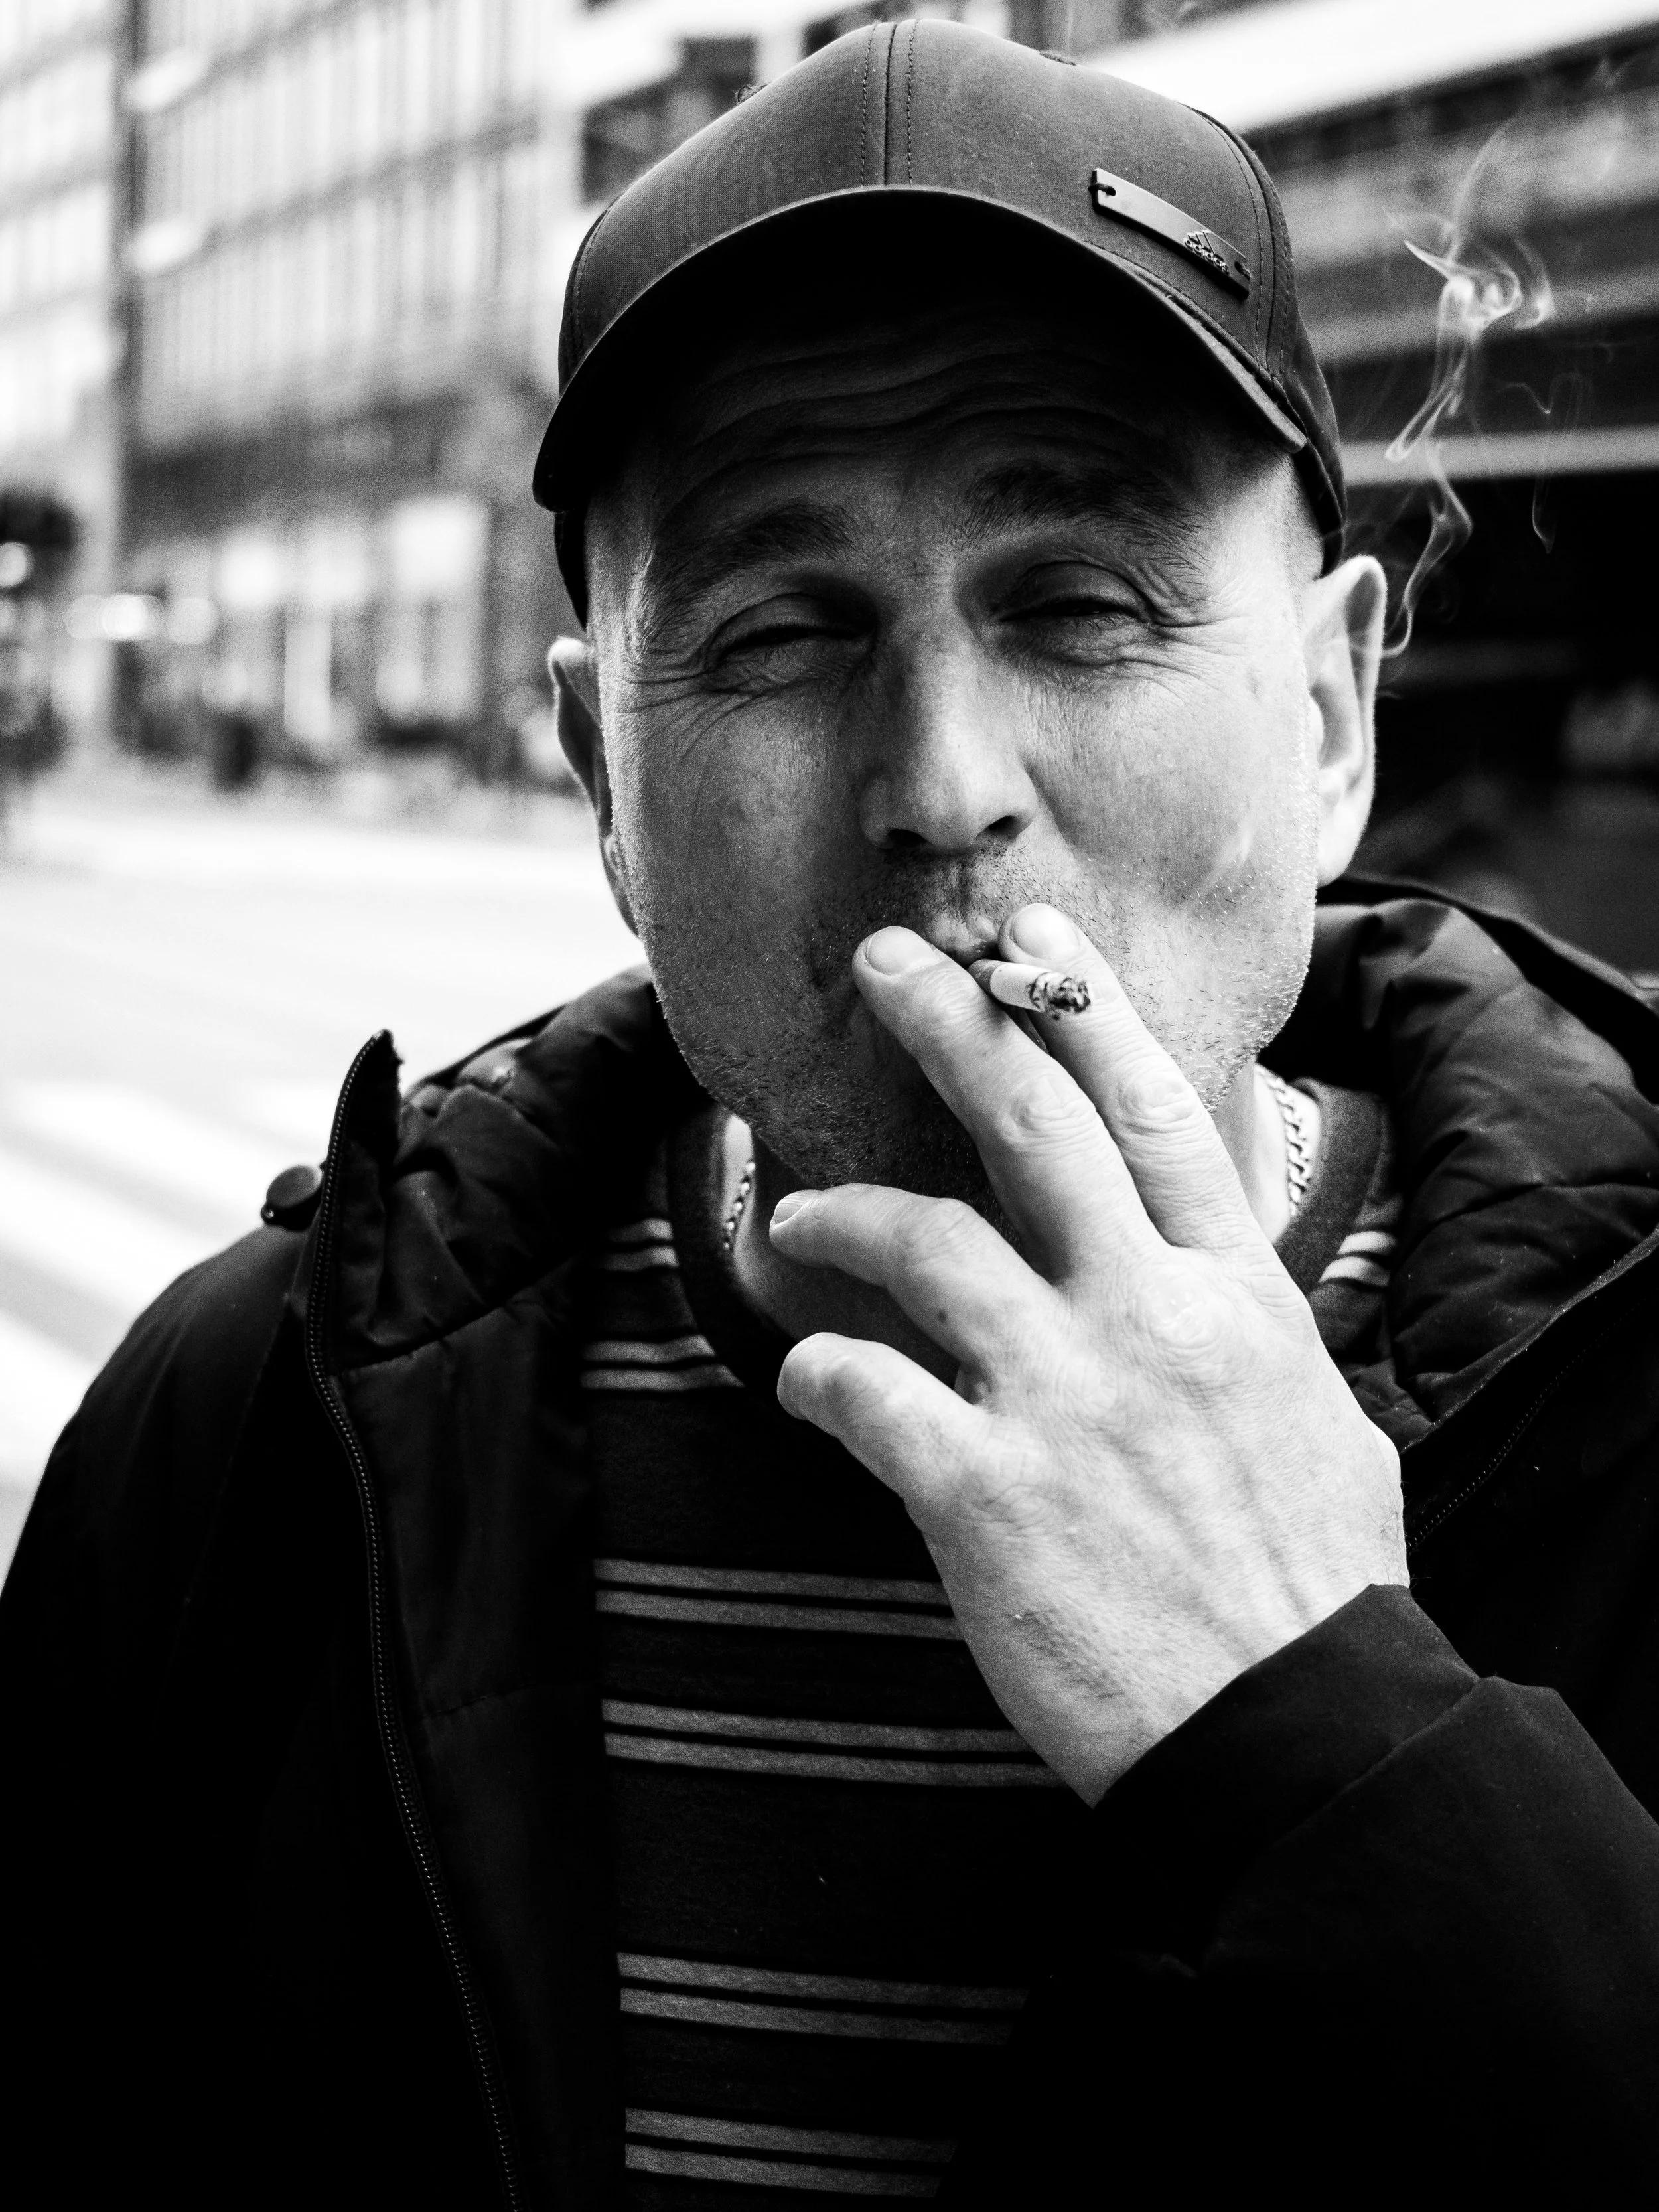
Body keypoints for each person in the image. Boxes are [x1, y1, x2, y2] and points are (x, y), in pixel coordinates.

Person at [7, 24, 1659, 2205]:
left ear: (1334, 712)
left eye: (1080, 604)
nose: (941, 783)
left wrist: (1333, 1733)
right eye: (781, 634)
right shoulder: (252, 1438)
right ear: (603, 776)